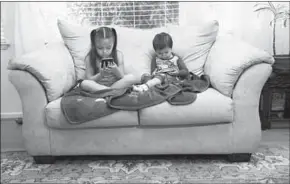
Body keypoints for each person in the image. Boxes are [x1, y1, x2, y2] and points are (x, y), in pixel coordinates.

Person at [80, 27, 140, 93]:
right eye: (100, 48)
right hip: (98, 85)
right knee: (84, 83)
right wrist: (100, 75)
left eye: (108, 48)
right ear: (94, 45)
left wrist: (116, 70)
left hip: (116, 84)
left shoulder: (118, 55)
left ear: (113, 45)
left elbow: (122, 76)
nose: (104, 51)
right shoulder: (89, 58)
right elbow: (89, 79)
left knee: (132, 77)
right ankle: (111, 91)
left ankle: (107, 92)